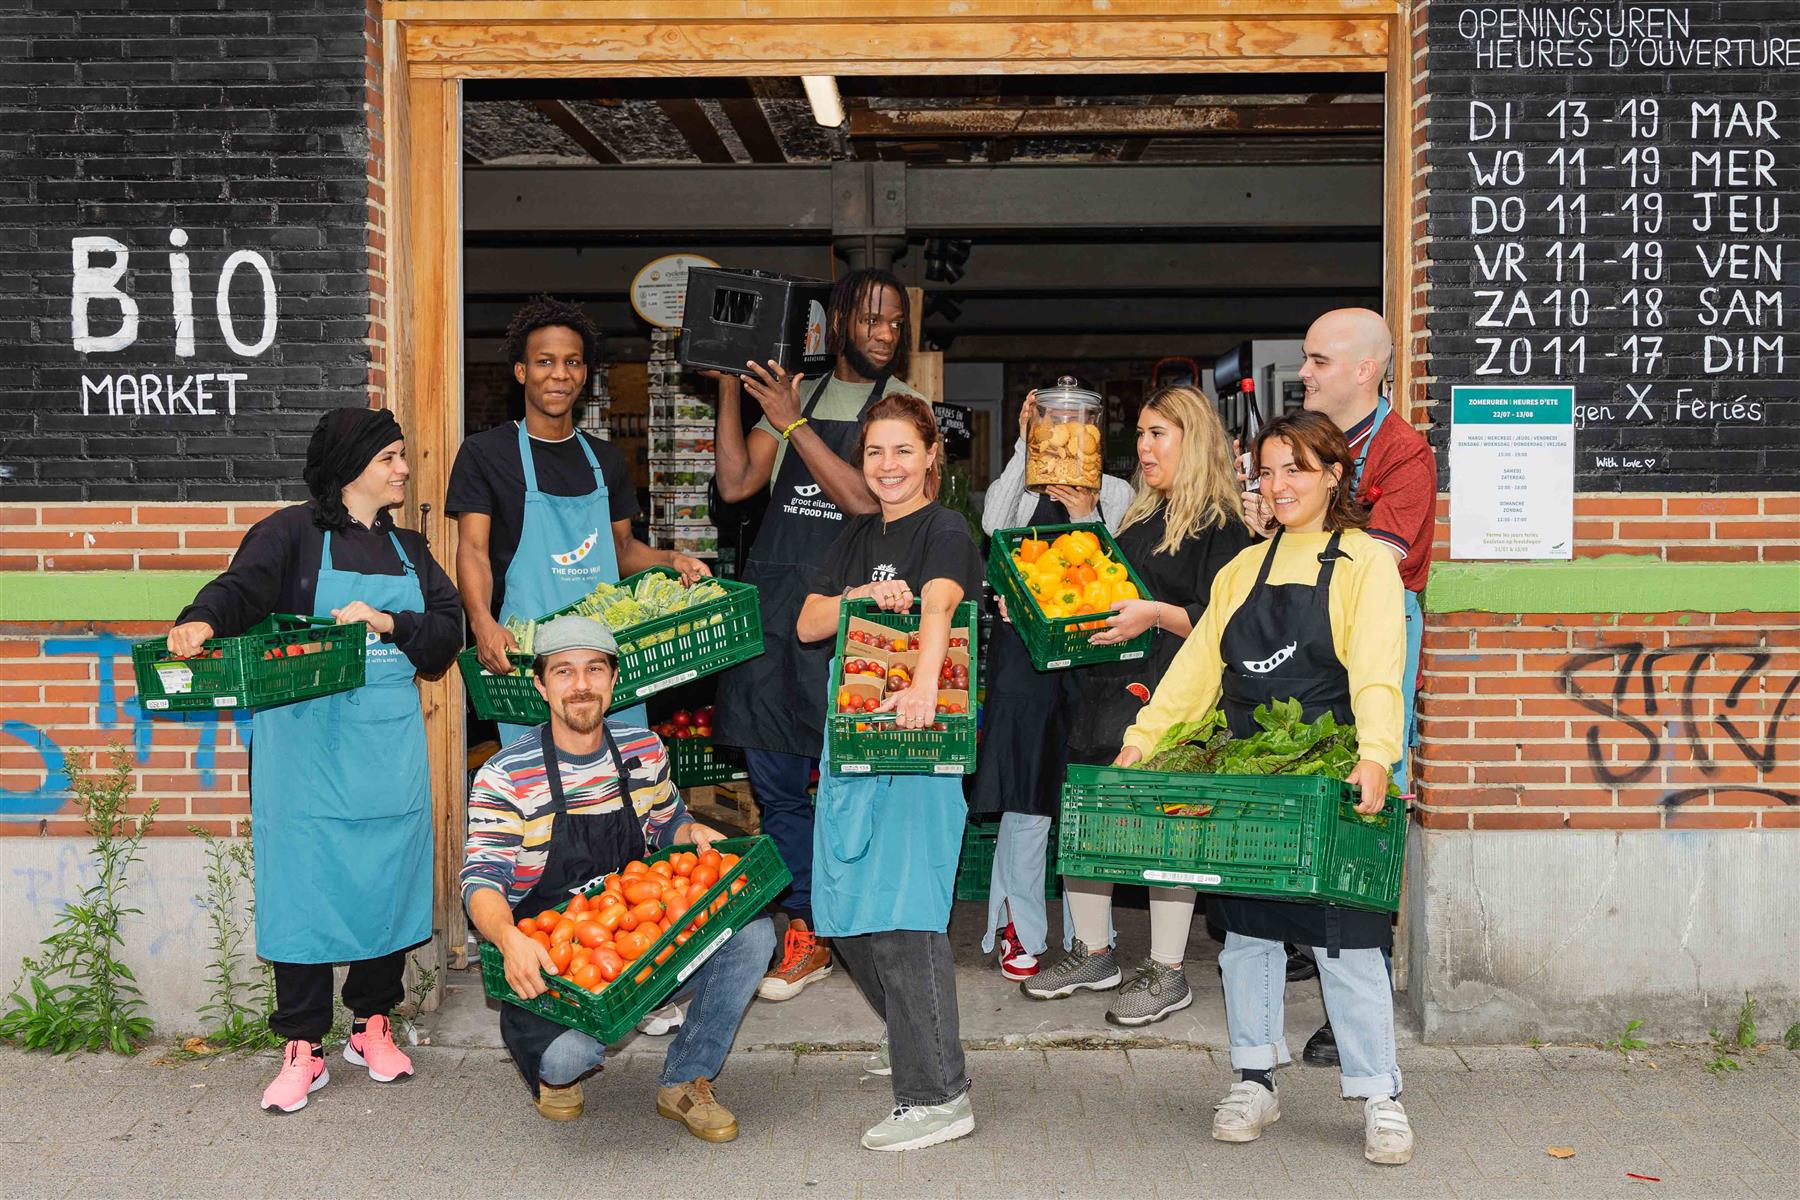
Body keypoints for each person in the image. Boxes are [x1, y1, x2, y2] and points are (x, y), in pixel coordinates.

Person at [1119, 410, 1414, 1166]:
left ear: (1333, 477)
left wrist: (1377, 757)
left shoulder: (1364, 562)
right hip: (1249, 773)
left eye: (1297, 470)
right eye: (1268, 472)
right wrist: (1143, 740)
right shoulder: (1241, 570)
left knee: (1348, 941)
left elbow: (1380, 669)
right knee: (1247, 935)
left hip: (1331, 773)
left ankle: (1379, 1093)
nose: (1278, 486)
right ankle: (1255, 1078)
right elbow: (1194, 676)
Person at [165, 407, 461, 1114]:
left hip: (385, 747)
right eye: (389, 457)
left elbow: (445, 634)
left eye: (400, 455)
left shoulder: (412, 550)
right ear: (351, 465)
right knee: (302, 884)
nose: (402, 468)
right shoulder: (289, 536)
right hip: (302, 742)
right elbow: (240, 589)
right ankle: (302, 1045)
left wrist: (389, 621)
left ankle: (371, 1024)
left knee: (385, 876)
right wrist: (201, 618)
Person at [461, 614, 776, 1136]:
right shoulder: (507, 775)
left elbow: (667, 821)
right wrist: (509, 939)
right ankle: (562, 1071)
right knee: (566, 1059)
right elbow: (481, 880)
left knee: (752, 933)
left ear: (612, 680)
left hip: (640, 938)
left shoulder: (643, 750)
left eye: (594, 670)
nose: (580, 685)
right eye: (563, 672)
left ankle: (686, 1078)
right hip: (554, 960)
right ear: (540, 684)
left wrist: (692, 833)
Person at [711, 268, 926, 1002]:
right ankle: (805, 923)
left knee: (848, 783)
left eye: (895, 323)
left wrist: (795, 423)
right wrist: (730, 395)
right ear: (837, 323)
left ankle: (856, 922)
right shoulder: (794, 395)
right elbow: (738, 485)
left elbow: (868, 502)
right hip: (776, 606)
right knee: (776, 784)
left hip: (853, 608)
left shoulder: (905, 407)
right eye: (871, 319)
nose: (884, 334)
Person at [1020, 386, 1251, 1026]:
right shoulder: (1144, 516)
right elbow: (1110, 590)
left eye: (1159, 435)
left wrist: (1154, 615)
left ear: (1195, 441)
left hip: (1172, 701)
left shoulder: (1221, 528)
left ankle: (1169, 970)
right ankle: (1095, 952)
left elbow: (1226, 626)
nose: (1143, 447)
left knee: (1166, 828)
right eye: (1142, 434)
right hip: (1105, 693)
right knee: (1090, 818)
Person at [1243, 307, 1437, 1067]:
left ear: (1366, 371)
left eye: (1321, 360)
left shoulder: (1404, 452)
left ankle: (1361, 999)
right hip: (1313, 639)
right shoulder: (1321, 448)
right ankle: (1317, 950)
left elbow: (1377, 562)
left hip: (1372, 640)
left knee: (1366, 812)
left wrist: (1292, 518)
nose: (1306, 372)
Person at [795, 393, 985, 1151]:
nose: (888, 466)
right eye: (875, 452)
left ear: (932, 454)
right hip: (854, 740)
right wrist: (858, 597)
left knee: (906, 913)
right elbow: (809, 622)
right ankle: (916, 1035)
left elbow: (940, 604)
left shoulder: (945, 530)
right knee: (842, 910)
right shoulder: (856, 534)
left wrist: (921, 687)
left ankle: (938, 1092)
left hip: (917, 743)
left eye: (903, 451)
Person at [447, 296, 709, 748]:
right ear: (521, 371)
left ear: (585, 374)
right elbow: (472, 549)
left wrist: (670, 559)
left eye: (572, 362)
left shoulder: (603, 459)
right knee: (540, 789)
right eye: (545, 361)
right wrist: (482, 623)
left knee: (620, 783)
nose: (560, 374)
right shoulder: (486, 454)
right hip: (532, 661)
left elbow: (623, 550)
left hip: (607, 659)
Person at [970, 391, 1133, 981]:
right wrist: (1023, 445)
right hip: (1023, 663)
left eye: (1072, 429)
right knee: (1026, 795)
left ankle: (1088, 935)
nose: (1063, 441)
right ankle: (1020, 927)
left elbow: (1120, 568)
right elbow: (993, 524)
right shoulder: (1016, 490)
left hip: (1093, 665)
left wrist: (1087, 508)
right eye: (1050, 429)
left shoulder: (1115, 493)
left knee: (1081, 797)